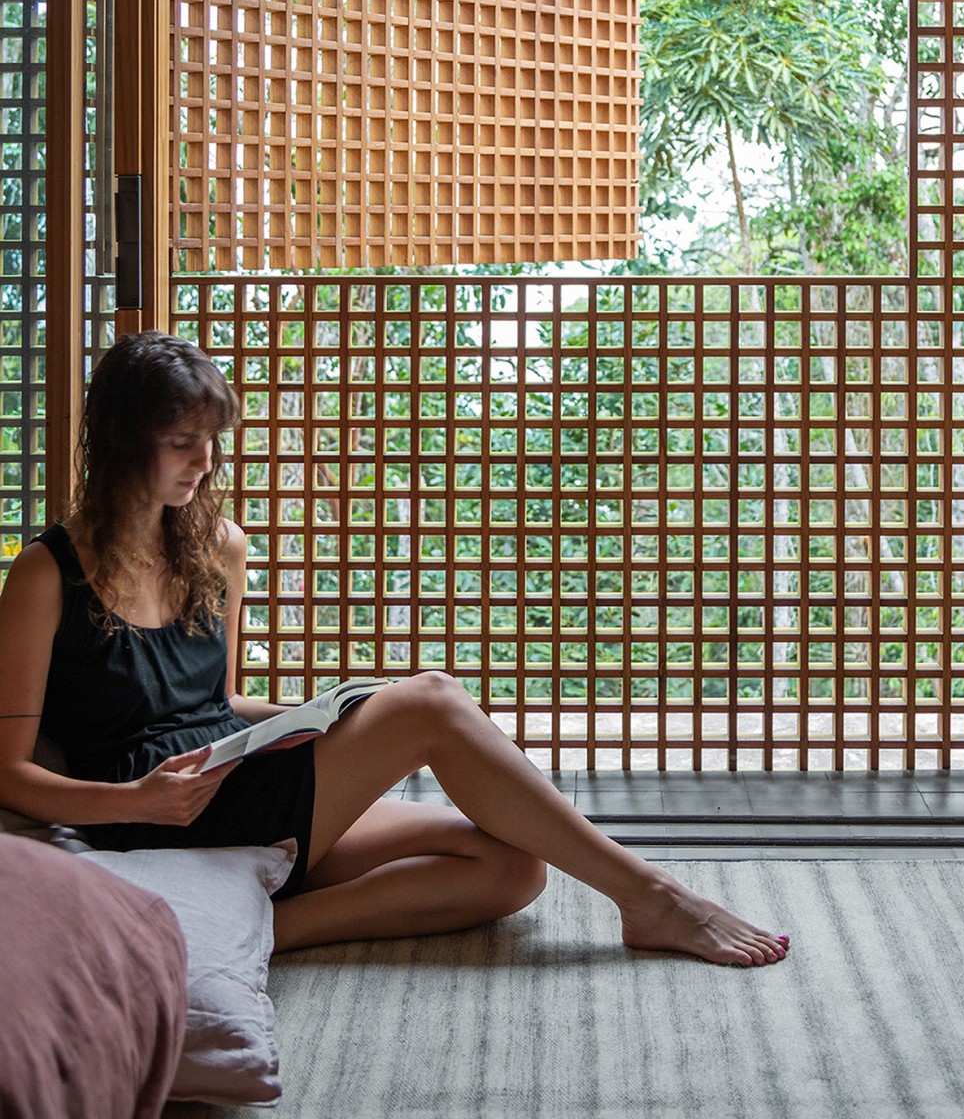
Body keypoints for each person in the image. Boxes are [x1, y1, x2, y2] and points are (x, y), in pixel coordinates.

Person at [0, 331, 789, 967]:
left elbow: (216, 703)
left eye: (212, 443)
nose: (204, 467)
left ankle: (268, 930)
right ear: (121, 442)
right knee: (433, 699)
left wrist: (320, 723)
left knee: (512, 867)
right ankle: (652, 898)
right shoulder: (47, 573)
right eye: (180, 443)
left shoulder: (219, 549)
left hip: (228, 779)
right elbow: (12, 772)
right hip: (148, 809)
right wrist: (134, 802)